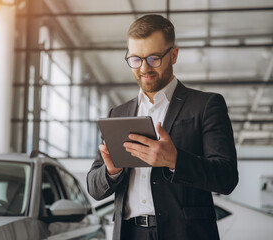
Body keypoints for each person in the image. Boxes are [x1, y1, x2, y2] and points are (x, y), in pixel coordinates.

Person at [86, 14, 238, 240]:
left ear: (173, 54)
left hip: (185, 234)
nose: (144, 68)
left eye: (154, 58)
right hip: (129, 233)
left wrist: (175, 160)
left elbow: (226, 177)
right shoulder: (117, 114)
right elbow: (94, 187)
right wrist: (112, 171)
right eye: (135, 59)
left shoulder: (206, 105)